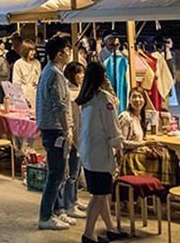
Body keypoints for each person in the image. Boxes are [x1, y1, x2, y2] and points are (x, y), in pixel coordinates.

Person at [77, 61, 124, 243]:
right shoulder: (103, 98)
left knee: (101, 194)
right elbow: (112, 126)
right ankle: (88, 234)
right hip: (100, 154)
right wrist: (118, 147)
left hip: (88, 153)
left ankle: (110, 228)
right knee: (99, 196)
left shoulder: (86, 98)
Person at [35, 36, 74, 231]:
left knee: (59, 172)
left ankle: (58, 211)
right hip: (55, 129)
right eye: (68, 49)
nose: (70, 53)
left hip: (49, 127)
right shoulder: (56, 75)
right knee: (56, 174)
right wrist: (67, 130)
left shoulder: (48, 71)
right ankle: (45, 216)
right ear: (60, 53)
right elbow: (59, 106)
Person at [56, 61, 86, 220]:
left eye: (82, 73)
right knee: (69, 173)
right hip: (72, 137)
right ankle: (66, 206)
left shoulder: (83, 91)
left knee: (76, 171)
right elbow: (68, 116)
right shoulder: (68, 93)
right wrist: (71, 135)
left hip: (82, 136)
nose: (81, 76)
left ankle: (73, 200)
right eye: (78, 73)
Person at [13, 40, 41, 110]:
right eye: (31, 50)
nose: (33, 53)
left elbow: (40, 78)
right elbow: (16, 83)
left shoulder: (37, 63)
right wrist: (22, 97)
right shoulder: (18, 64)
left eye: (34, 50)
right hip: (24, 97)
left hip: (36, 96)